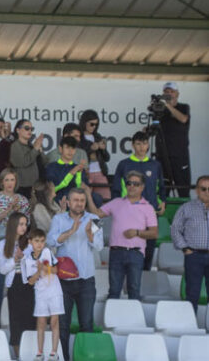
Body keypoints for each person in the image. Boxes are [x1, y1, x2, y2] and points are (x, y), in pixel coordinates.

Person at [47, 188, 103, 361]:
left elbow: (99, 246)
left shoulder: (92, 220)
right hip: (63, 281)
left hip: (86, 281)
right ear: (68, 202)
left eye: (82, 200)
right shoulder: (58, 219)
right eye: (76, 200)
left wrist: (89, 235)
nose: (79, 203)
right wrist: (70, 232)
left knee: (86, 324)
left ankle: (85, 358)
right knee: (62, 326)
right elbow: (50, 241)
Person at [85, 172, 158, 300]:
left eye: (136, 184)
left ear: (142, 187)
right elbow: (96, 213)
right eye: (129, 183)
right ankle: (111, 320)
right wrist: (87, 194)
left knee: (134, 290)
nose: (132, 186)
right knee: (113, 291)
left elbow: (154, 233)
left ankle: (134, 320)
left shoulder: (148, 207)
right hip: (116, 252)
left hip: (136, 253)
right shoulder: (116, 202)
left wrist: (136, 232)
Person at [112, 131, 166, 270]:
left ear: (148, 145)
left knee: (149, 247)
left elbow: (161, 186)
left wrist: (163, 201)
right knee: (128, 247)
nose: (142, 147)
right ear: (133, 145)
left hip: (150, 212)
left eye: (144, 143)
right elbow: (117, 189)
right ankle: (128, 281)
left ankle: (145, 276)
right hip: (129, 213)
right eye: (138, 144)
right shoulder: (124, 164)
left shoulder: (155, 165)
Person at [0, 167, 29, 326]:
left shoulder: (22, 200)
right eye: (7, 180)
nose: (10, 183)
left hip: (18, 242)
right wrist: (10, 210)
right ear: (1, 182)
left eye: (12, 180)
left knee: (19, 284)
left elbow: (27, 223)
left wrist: (18, 213)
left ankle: (18, 322)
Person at [22, 229, 63, 361]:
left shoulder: (47, 252)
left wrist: (44, 268)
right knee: (41, 322)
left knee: (54, 322)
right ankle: (39, 353)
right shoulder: (28, 259)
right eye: (36, 241)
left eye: (42, 241)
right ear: (30, 242)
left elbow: (56, 270)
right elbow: (30, 281)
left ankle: (54, 353)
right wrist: (39, 270)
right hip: (40, 293)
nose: (39, 244)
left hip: (54, 291)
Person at [170, 175, 209, 312]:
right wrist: (185, 248)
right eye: (203, 189)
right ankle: (191, 327)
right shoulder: (186, 208)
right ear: (197, 190)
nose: (207, 192)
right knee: (192, 293)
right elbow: (175, 229)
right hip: (194, 256)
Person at [0, 212, 34, 356]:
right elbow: (2, 269)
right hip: (14, 284)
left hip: (30, 284)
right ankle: (19, 355)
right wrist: (15, 259)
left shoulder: (30, 242)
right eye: (21, 224)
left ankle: (30, 354)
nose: (24, 227)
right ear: (13, 225)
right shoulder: (2, 244)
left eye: (25, 224)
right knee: (16, 321)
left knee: (31, 320)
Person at [157, 82, 191, 197]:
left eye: (172, 91)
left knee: (183, 189)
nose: (169, 94)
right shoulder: (160, 110)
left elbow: (183, 119)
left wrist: (168, 105)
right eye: (166, 92)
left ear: (177, 94)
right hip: (162, 156)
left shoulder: (184, 107)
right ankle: (162, 214)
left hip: (179, 157)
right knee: (163, 190)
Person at [9, 119, 45, 198]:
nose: (30, 131)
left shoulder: (31, 145)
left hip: (35, 186)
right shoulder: (15, 146)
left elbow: (44, 162)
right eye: (26, 128)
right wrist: (35, 149)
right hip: (22, 187)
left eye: (31, 129)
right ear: (18, 130)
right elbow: (23, 162)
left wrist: (40, 150)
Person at [79, 110, 110, 200]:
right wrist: (90, 149)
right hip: (85, 173)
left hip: (99, 172)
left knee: (105, 199)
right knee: (85, 201)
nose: (94, 127)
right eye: (91, 124)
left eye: (96, 125)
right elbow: (77, 155)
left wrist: (103, 150)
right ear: (84, 122)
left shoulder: (98, 136)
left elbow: (107, 158)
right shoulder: (79, 137)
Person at [45, 136, 88, 202]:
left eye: (73, 148)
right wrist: (72, 173)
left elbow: (80, 190)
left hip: (74, 206)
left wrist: (79, 173)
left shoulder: (79, 168)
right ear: (60, 148)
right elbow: (53, 189)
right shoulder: (51, 167)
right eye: (67, 147)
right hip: (56, 205)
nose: (70, 151)